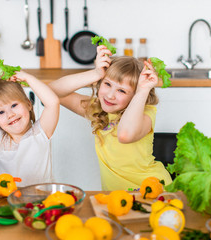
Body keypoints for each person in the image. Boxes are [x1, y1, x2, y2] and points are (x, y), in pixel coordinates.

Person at [49, 45, 172, 191]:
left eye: (122, 90)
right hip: (117, 198)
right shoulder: (98, 110)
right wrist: (95, 74)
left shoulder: (146, 113)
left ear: (135, 95)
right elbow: (50, 92)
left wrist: (142, 90)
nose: (110, 95)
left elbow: (125, 135)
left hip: (153, 191)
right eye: (107, 84)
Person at [0, 70, 60, 187]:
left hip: (41, 202)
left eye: (14, 105)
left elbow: (53, 102)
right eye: (1, 112)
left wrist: (27, 78)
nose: (10, 114)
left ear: (29, 104)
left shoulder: (41, 133)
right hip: (6, 203)